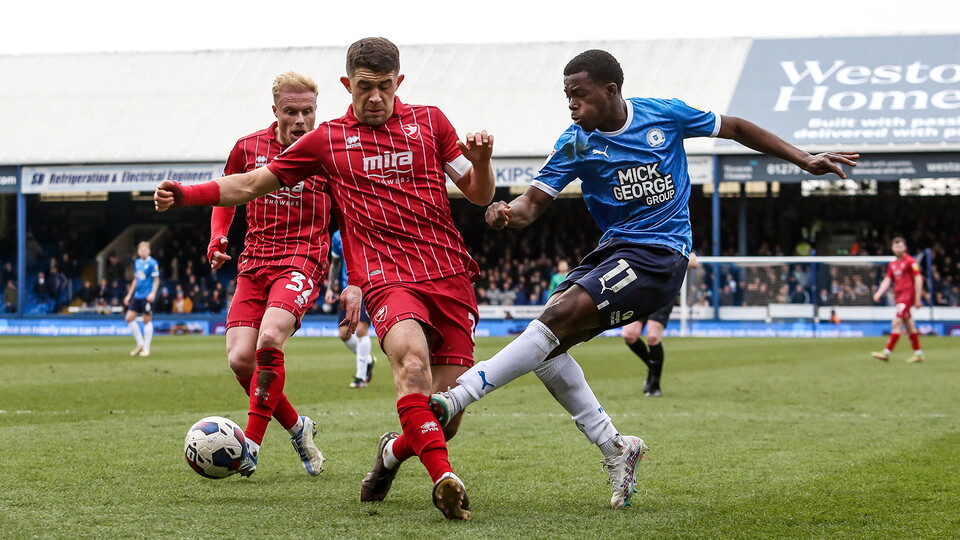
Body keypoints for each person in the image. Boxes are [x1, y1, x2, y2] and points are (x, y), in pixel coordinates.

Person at [430, 48, 859, 509]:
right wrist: (502, 213)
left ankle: (461, 395)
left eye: (579, 95)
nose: (571, 105)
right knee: (546, 349)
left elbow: (734, 127)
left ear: (611, 91)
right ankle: (617, 446)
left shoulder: (664, 115)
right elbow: (529, 206)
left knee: (555, 319)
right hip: (611, 251)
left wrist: (803, 159)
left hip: (660, 253)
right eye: (566, 97)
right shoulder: (575, 142)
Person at [155, 37, 494, 520]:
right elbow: (249, 183)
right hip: (385, 278)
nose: (374, 98)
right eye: (363, 88)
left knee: (446, 414)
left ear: (399, 83)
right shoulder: (328, 141)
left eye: (383, 87)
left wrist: (480, 161)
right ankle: (444, 478)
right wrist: (186, 194)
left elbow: (478, 194)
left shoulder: (431, 122)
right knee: (412, 371)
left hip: (448, 274)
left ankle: (392, 453)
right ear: (346, 85)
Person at [205, 71, 329, 478]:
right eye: (291, 111)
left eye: (307, 111)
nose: (300, 120)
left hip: (302, 259)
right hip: (254, 263)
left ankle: (251, 444)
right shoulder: (248, 147)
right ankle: (298, 427)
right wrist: (219, 237)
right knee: (241, 360)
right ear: (274, 110)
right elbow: (227, 193)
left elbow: (352, 216)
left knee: (270, 336)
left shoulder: (329, 152)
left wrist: (357, 280)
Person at [623, 252, 699, 397]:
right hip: (641, 292)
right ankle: (652, 367)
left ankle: (655, 386)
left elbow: (694, 262)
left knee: (652, 337)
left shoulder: (676, 240)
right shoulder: (644, 237)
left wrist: (666, 261)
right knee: (629, 335)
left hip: (664, 293)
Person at [324, 229, 376, 389]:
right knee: (344, 334)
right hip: (347, 290)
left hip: (367, 287)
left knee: (361, 330)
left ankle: (361, 377)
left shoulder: (368, 227)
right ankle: (367, 360)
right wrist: (330, 288)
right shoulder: (337, 236)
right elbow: (336, 262)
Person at [871, 237, 924, 363]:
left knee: (896, 323)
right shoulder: (892, 264)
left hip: (907, 296)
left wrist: (917, 298)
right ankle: (918, 354)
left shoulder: (911, 262)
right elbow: (888, 280)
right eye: (896, 246)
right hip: (899, 296)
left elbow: (918, 279)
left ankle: (886, 352)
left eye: (900, 246)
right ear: (892, 248)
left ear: (905, 248)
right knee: (909, 326)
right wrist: (878, 293)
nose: (898, 249)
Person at [123, 241, 160, 356]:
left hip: (147, 296)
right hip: (137, 295)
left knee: (146, 320)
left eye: (145, 250)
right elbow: (136, 279)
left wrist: (153, 293)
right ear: (138, 252)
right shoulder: (137, 263)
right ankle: (140, 344)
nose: (143, 252)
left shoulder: (153, 263)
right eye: (141, 250)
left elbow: (156, 280)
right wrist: (129, 294)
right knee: (129, 318)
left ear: (149, 251)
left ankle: (146, 349)